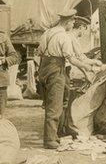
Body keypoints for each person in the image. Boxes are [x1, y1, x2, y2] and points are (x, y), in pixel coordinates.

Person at [38, 8, 101, 149]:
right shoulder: (64, 37)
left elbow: (40, 52)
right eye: (72, 22)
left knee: (54, 103)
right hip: (56, 69)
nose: (73, 25)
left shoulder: (47, 33)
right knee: (55, 106)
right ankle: (49, 140)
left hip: (44, 68)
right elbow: (72, 59)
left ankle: (55, 135)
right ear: (67, 22)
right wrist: (89, 68)